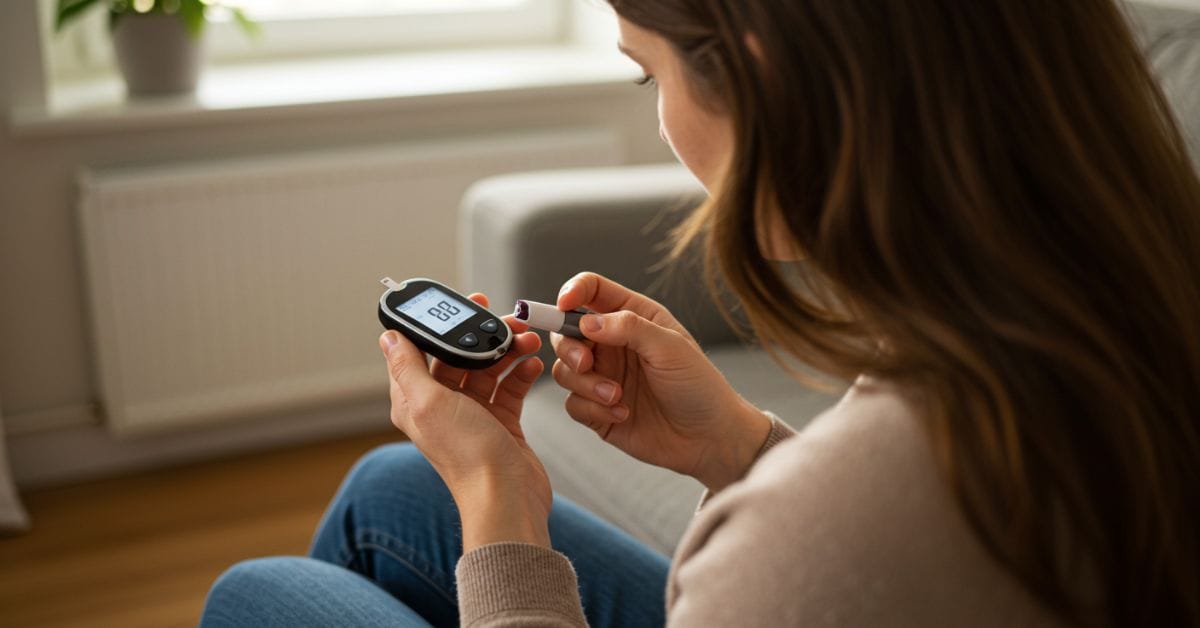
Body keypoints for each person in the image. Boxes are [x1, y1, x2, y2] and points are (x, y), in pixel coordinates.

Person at [201, 1, 1200, 626]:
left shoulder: (801, 547)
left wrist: (500, 502)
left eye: (650, 70)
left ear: (769, 75)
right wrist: (737, 443)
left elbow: (851, 540)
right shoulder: (1088, 292)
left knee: (255, 595)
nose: (663, 118)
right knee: (393, 488)